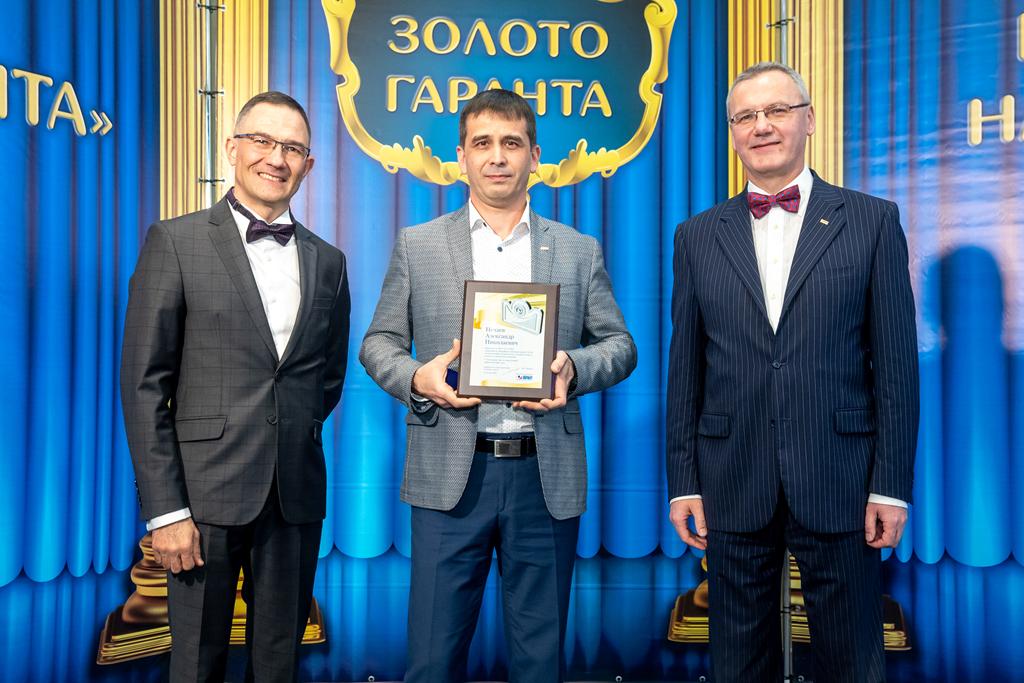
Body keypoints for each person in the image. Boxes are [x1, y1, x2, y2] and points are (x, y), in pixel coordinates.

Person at [359, 89, 636, 683]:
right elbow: (378, 343)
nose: (497, 157)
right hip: (450, 476)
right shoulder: (419, 245)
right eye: (482, 143)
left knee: (540, 664)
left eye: (512, 143)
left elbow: (621, 346)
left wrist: (572, 367)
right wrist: (418, 378)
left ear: (534, 155)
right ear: (461, 156)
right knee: (431, 661)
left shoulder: (577, 250)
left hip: (544, 475)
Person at [666, 62, 919, 683]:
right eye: (746, 116)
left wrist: (890, 486)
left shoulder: (872, 220)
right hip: (731, 479)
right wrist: (683, 482)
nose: (762, 126)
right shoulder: (696, 236)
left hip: (841, 480)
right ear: (732, 133)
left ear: (809, 120)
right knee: (737, 666)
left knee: (852, 663)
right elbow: (685, 371)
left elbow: (895, 366)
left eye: (777, 110)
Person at [120, 91, 350, 682]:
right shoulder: (175, 241)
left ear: (308, 164)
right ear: (232, 148)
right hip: (201, 504)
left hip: (294, 498)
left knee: (278, 665)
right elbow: (144, 385)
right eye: (262, 141)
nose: (276, 157)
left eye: (292, 147)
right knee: (197, 665)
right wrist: (166, 510)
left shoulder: (329, 261)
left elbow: (325, 378)